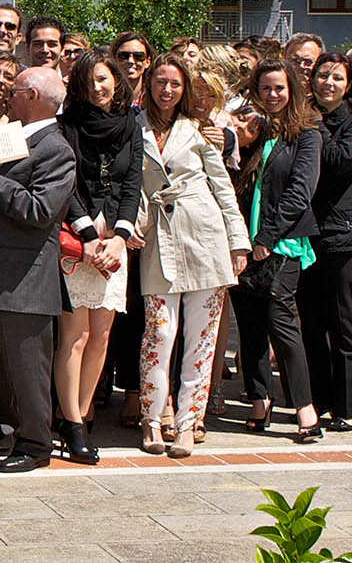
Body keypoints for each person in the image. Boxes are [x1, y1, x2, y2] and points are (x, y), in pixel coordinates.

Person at [0, 67, 81, 473]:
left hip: (26, 280)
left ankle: (35, 442)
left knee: (28, 368)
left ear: (30, 95)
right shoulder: (8, 137)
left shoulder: (57, 150)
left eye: (13, 91)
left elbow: (41, 210)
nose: (6, 96)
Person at [134, 55, 246, 458]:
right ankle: (151, 417)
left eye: (175, 84)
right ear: (149, 85)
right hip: (157, 238)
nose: (167, 90)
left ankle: (188, 423)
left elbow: (223, 188)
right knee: (160, 334)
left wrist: (237, 242)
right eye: (160, 82)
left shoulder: (199, 130)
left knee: (202, 338)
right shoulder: (134, 127)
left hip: (205, 235)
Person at [230, 61, 327, 442]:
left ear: (292, 91)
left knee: (281, 322)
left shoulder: (306, 134)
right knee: (249, 324)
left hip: (282, 243)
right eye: (265, 89)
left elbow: (300, 193)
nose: (272, 96)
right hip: (242, 244)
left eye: (279, 89)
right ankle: (259, 399)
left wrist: (266, 237)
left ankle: (305, 407)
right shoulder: (250, 132)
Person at [54, 51, 142, 464]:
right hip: (79, 237)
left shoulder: (130, 124)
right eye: (90, 80)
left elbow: (132, 181)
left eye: (104, 79)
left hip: (114, 242)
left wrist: (121, 236)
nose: (98, 86)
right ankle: (70, 422)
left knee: (102, 334)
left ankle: (84, 415)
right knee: (77, 335)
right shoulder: (67, 125)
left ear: (116, 81)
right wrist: (88, 233)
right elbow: (66, 183)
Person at [302, 58, 352, 431]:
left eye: (337, 78)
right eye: (322, 76)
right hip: (308, 233)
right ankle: (318, 401)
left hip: (345, 233)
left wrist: (316, 125)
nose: (327, 83)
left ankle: (351, 407)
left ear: (348, 85)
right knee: (313, 324)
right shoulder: (304, 115)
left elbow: (338, 162)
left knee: (346, 319)